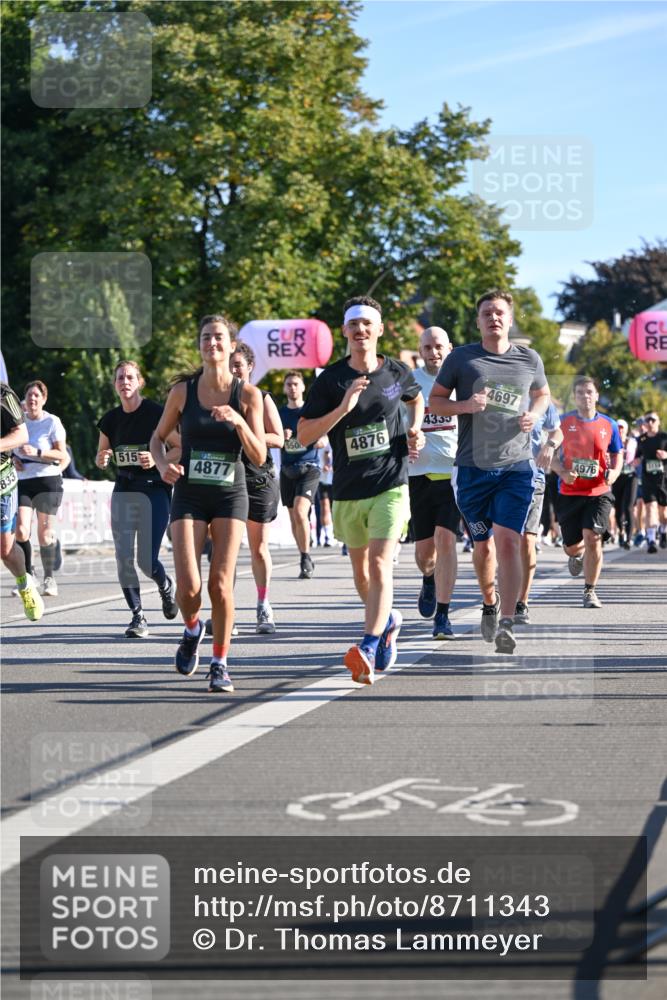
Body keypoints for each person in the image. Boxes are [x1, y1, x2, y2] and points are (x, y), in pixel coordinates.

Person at [298, 295, 424, 684]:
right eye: (353, 324)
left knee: (380, 563)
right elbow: (304, 433)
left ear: (379, 330)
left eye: (367, 324)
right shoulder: (330, 381)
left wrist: (415, 428)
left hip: (391, 483)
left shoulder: (396, 373)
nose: (360, 330)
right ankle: (386, 623)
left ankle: (368, 644)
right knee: (361, 573)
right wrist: (343, 408)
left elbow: (416, 398)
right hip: (349, 489)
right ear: (345, 332)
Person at [429, 289, 550, 654]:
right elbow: (436, 402)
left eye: (499, 313)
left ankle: (508, 622)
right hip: (472, 468)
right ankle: (489, 601)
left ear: (510, 319)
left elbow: (542, 393)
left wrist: (536, 413)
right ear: (478, 321)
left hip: (516, 466)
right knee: (482, 546)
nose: (493, 318)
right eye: (487, 313)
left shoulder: (529, 358)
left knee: (509, 541)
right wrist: (466, 405)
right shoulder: (461, 359)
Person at [150, 314, 265, 693]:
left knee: (220, 584)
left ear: (232, 346)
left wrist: (239, 422)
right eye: (205, 337)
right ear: (199, 345)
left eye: (219, 338)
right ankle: (192, 628)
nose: (212, 343)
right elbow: (158, 438)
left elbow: (261, 454)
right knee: (188, 586)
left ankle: (220, 662)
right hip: (189, 492)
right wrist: (165, 464)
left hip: (231, 494)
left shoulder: (247, 396)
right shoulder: (183, 392)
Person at [96, 361, 178, 638]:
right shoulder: (110, 419)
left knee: (146, 560)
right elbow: (101, 456)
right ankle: (138, 616)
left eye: (130, 377)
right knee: (123, 557)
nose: (125, 381)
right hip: (125, 488)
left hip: (155, 488)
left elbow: (180, 446)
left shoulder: (157, 412)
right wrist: (103, 458)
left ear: (140, 381)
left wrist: (157, 458)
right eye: (120, 377)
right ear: (115, 384)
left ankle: (166, 586)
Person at [550, 376, 622, 608]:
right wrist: (562, 472)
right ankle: (575, 554)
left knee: (593, 537)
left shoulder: (609, 425)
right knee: (572, 545)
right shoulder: (562, 422)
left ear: (597, 395)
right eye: (580, 392)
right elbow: (549, 454)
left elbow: (617, 454)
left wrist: (614, 473)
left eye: (589, 391)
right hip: (570, 492)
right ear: (574, 396)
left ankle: (589, 591)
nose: (585, 396)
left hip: (599, 491)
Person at [408, 327, 460, 639]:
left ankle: (443, 615)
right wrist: (404, 440)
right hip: (417, 475)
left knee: (446, 540)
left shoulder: (461, 380)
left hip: (452, 475)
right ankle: (429, 578)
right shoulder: (408, 380)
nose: (433, 352)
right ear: (420, 349)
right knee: (424, 555)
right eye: (427, 347)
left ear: (449, 348)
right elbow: (392, 418)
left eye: (439, 346)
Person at [229, 341, 284, 633]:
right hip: (227, 481)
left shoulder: (261, 398)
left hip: (259, 480)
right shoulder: (218, 399)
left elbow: (279, 438)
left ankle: (263, 605)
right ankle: (226, 609)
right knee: (227, 550)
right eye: (230, 366)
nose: (233, 370)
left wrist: (247, 432)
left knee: (258, 548)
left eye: (238, 365)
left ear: (250, 367)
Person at [13, 380, 67, 598]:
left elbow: (62, 454)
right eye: (29, 395)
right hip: (24, 480)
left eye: (37, 395)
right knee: (21, 531)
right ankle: (28, 576)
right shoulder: (18, 422)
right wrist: (12, 458)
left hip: (48, 480)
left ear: (44, 399)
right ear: (24, 400)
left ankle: (49, 577)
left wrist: (37, 452)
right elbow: (7, 445)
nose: (32, 399)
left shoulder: (52, 422)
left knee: (45, 535)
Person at [513, 403, 563, 624]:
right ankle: (496, 594)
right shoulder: (500, 391)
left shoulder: (542, 401)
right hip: (498, 477)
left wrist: (550, 445)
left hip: (534, 479)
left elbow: (557, 430)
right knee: (500, 542)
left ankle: (521, 602)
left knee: (527, 540)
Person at [1, 382, 44, 620]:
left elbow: (21, 434)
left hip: (1, 481)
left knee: (6, 551)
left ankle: (25, 584)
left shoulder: (3, 394)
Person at [278, 371, 321, 579]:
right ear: (285, 388)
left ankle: (305, 557)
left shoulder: (310, 411)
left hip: (309, 466)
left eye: (296, 384)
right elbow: (271, 439)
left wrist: (309, 438)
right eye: (289, 384)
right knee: (294, 517)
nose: (292, 388)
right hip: (287, 469)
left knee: (300, 512)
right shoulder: (279, 413)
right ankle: (303, 551)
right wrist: (281, 437)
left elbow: (323, 439)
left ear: (303, 387)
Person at [635, 411, 667, 553]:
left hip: (664, 480)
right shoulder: (641, 440)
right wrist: (635, 460)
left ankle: (663, 530)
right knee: (650, 508)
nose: (650, 423)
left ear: (658, 422)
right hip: (648, 480)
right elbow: (637, 456)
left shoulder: (664, 437)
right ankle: (651, 540)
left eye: (653, 420)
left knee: (664, 513)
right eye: (647, 420)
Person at [611, 419, 636, 549]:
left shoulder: (633, 442)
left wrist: (638, 460)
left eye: (622, 428)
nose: (620, 430)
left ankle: (629, 537)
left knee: (629, 507)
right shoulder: (612, 441)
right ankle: (621, 532)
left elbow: (641, 454)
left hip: (631, 477)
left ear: (626, 429)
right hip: (617, 477)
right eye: (618, 428)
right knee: (618, 508)